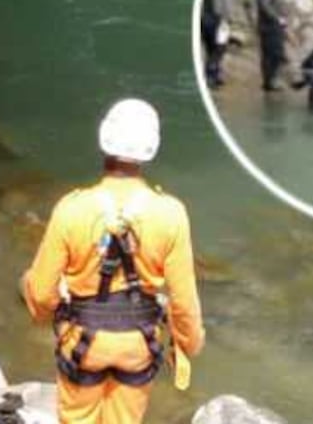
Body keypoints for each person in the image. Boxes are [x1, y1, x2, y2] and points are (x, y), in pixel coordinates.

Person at [23, 99, 204, 424]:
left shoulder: (71, 208)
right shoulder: (171, 213)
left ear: (103, 140)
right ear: (152, 148)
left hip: (82, 343)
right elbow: (184, 300)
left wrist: (44, 313)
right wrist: (189, 343)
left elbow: (39, 291)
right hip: (139, 344)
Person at [255, 0, 288, 92]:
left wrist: (284, 18)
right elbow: (265, 7)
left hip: (275, 25)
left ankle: (270, 81)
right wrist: (278, 18)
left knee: (273, 53)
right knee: (273, 53)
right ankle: (270, 81)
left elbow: (279, 5)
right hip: (268, 26)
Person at [199, 0, 230, 89]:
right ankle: (212, 76)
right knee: (218, 49)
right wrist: (224, 20)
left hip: (207, 22)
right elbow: (218, 8)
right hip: (215, 23)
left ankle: (214, 75)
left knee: (212, 50)